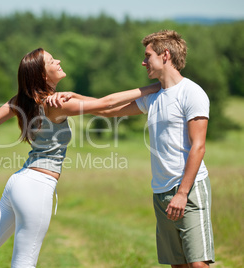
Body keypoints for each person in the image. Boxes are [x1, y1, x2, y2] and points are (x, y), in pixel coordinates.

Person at [0, 47, 160, 267]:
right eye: (52, 61)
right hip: (37, 187)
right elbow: (105, 105)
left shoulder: (21, 101)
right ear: (43, 75)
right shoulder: (54, 105)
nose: (58, 61)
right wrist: (155, 87)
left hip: (18, 182)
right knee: (24, 263)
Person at [67, 30, 214, 268]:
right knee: (177, 265)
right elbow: (107, 110)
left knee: (197, 264)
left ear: (165, 55)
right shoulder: (155, 96)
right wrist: (75, 98)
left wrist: (182, 193)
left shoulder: (191, 92)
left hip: (188, 189)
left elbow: (198, 146)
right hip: (161, 190)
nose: (143, 62)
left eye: (148, 56)